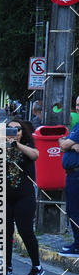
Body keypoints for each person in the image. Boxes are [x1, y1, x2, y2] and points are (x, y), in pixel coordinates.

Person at [5, 119, 43, 275]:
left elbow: (35, 155)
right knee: (5, 232)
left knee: (25, 231)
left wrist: (16, 145)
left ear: (22, 132)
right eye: (10, 129)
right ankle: (7, 266)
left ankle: (37, 266)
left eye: (17, 130)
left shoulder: (27, 145)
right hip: (5, 196)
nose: (14, 132)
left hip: (24, 196)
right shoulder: (0, 146)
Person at [58, 95, 79, 256]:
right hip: (72, 174)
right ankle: (76, 242)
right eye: (77, 105)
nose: (78, 108)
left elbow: (64, 144)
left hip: (76, 174)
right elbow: (63, 143)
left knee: (74, 210)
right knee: (72, 210)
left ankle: (78, 245)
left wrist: (68, 144)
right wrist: (72, 145)